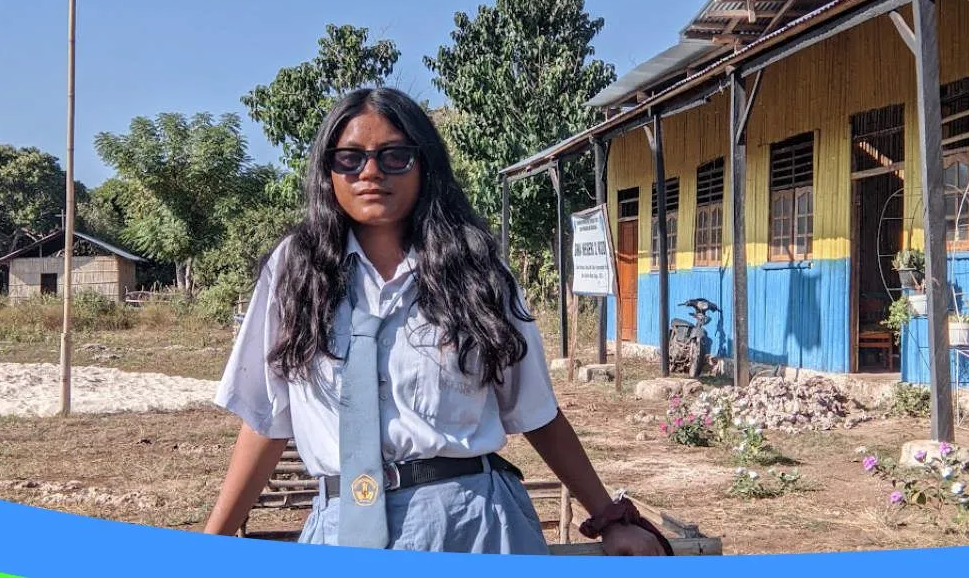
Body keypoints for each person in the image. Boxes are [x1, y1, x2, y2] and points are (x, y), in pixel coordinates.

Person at [203, 87, 670, 556]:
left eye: (394, 156)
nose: (370, 172)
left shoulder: (476, 270)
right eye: (349, 158)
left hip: (475, 527)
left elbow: (535, 410)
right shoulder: (295, 271)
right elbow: (267, 419)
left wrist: (609, 517)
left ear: (424, 164)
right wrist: (210, 548)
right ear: (328, 170)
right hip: (341, 529)